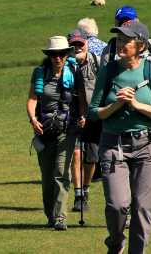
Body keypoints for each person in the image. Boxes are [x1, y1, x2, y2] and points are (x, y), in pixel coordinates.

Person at [89, 21, 151, 254]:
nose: (120, 44)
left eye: (126, 40)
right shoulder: (108, 71)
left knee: (142, 209)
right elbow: (93, 113)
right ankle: (116, 243)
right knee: (117, 205)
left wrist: (137, 105)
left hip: (147, 146)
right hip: (113, 144)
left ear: (140, 45)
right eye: (118, 39)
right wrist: (116, 104)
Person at [28, 35, 80, 231]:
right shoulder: (40, 73)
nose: (57, 58)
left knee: (61, 173)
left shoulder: (74, 72)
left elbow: (81, 97)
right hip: (44, 129)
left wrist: (82, 116)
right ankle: (50, 214)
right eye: (53, 54)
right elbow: (32, 99)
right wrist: (33, 120)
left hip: (66, 131)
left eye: (60, 54)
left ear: (66, 55)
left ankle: (60, 217)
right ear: (48, 56)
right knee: (47, 175)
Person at [68, 29, 100, 212]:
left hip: (93, 118)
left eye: (80, 43)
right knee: (77, 154)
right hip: (72, 117)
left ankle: (86, 189)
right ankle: (78, 194)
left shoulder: (96, 62)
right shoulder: (67, 65)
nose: (77, 47)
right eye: (73, 44)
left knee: (91, 158)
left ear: (86, 43)